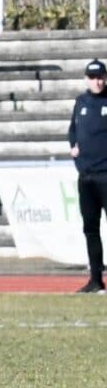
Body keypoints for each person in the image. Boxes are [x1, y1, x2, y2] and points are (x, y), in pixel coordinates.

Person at [70, 57, 107, 294]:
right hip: (87, 176)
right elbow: (72, 130)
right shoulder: (81, 102)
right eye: (93, 77)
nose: (97, 81)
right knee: (90, 229)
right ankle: (96, 279)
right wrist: (73, 147)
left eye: (100, 76)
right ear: (86, 79)